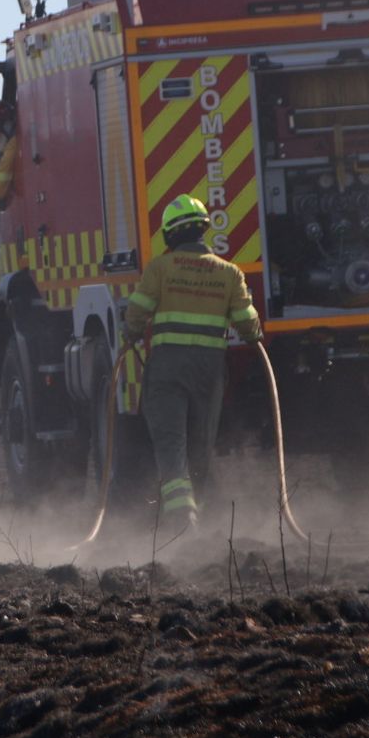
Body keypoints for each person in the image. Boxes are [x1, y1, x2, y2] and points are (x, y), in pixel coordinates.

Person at [122, 195, 261, 536]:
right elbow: (248, 323)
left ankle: (182, 522)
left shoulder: (161, 268)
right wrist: (253, 334)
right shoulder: (230, 273)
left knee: (171, 446)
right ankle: (207, 522)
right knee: (200, 447)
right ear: (203, 230)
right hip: (209, 374)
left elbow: (137, 313)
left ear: (170, 235)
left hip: (167, 370)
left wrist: (131, 334)